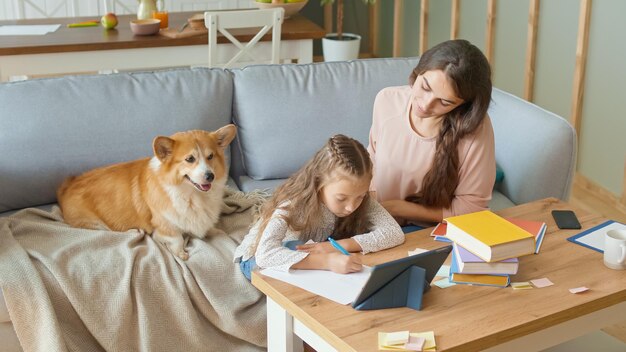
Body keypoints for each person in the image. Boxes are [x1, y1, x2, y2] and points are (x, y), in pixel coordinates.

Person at [234, 134, 404, 280]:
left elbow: (394, 233)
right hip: (255, 258)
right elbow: (265, 255)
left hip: (308, 250)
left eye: (360, 196)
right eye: (341, 198)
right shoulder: (293, 203)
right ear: (319, 182)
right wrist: (328, 261)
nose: (351, 206)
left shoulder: (356, 194)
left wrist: (336, 246)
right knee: (299, 248)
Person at [368, 39, 496, 231]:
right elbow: (372, 156)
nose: (426, 104)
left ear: (463, 105)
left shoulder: (475, 129)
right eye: (425, 87)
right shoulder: (387, 100)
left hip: (429, 229)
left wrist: (398, 208)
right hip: (376, 219)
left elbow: (472, 209)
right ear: (419, 71)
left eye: (444, 102)